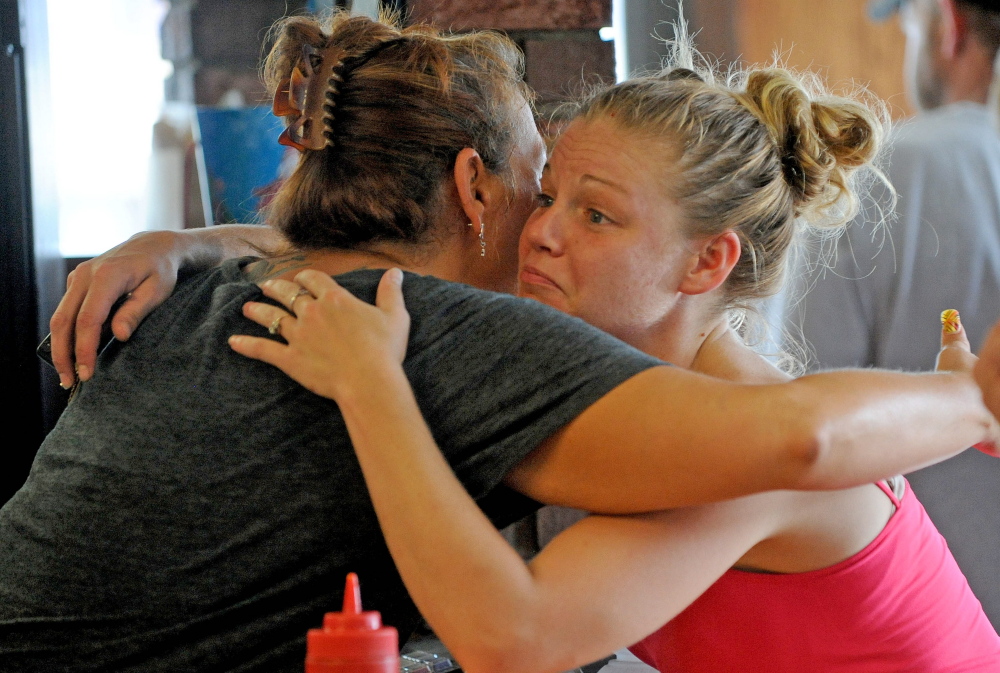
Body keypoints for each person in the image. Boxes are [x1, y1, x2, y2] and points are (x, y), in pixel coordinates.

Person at [15, 9, 999, 672]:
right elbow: (357, 248)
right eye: (549, 192)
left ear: (705, 266)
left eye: (595, 215)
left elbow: (513, 633)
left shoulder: (735, 441)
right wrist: (186, 240)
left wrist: (375, 387)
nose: (542, 229)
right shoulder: (623, 393)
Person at [787, 0, 1000, 626]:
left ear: (948, 26)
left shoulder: (878, 179)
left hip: (930, 628)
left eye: (910, 29)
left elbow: (800, 410)